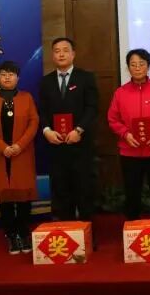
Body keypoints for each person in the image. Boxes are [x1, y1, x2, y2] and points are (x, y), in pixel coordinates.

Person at [107, 49, 150, 220]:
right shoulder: (120, 93)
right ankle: (133, 230)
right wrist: (125, 134)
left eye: (141, 64)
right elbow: (113, 119)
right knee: (132, 194)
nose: (137, 68)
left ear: (148, 66)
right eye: (133, 65)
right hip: (130, 152)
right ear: (128, 68)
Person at [0, 61, 39, 254]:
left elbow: (34, 122)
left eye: (11, 74)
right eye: (4, 74)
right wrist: (3, 147)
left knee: (23, 196)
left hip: (22, 152)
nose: (7, 77)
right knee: (5, 197)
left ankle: (24, 233)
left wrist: (19, 145)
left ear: (18, 78)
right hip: (0, 154)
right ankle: (11, 235)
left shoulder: (26, 97)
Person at [39, 37, 99, 222]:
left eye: (65, 50)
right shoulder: (46, 81)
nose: (61, 54)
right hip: (56, 145)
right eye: (57, 51)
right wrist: (47, 130)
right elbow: (41, 110)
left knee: (84, 189)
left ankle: (87, 231)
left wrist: (79, 130)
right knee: (61, 189)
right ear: (53, 56)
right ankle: (66, 231)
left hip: (80, 144)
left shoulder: (85, 78)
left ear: (73, 54)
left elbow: (92, 107)